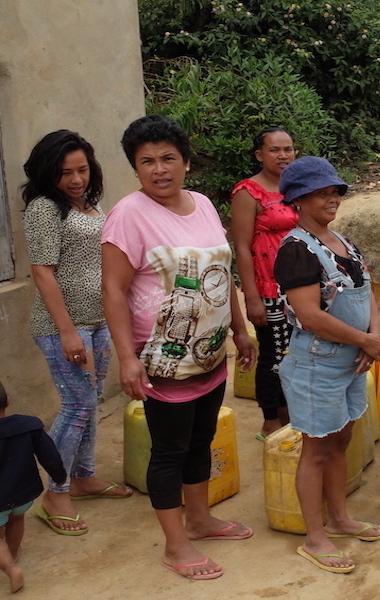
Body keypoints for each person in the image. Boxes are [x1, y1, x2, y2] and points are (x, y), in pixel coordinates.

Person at [102, 115, 257, 581]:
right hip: (162, 360)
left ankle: (201, 518)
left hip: (209, 354)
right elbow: (113, 291)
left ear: (186, 162)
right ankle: (175, 545)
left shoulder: (206, 205)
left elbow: (223, 271)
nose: (159, 169)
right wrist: (127, 358)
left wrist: (240, 328)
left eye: (168, 158)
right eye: (146, 161)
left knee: (201, 440)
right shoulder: (128, 215)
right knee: (169, 450)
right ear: (135, 169)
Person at [274, 157, 380, 575]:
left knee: (341, 440)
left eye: (335, 191)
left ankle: (340, 519)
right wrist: (365, 340)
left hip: (353, 361)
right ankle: (315, 536)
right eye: (322, 192)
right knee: (317, 449)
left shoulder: (342, 242)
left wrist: (374, 339)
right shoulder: (296, 250)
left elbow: (366, 292)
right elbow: (310, 316)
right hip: (317, 363)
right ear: (298, 199)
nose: (332, 198)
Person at [21, 130, 132, 537]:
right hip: (62, 327)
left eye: (82, 169)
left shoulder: (87, 203)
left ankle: (84, 476)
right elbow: (42, 272)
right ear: (48, 173)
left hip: (98, 321)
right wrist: (67, 331)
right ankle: (56, 492)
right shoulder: (44, 210)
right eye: (65, 172)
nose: (75, 179)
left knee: (91, 401)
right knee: (77, 405)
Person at [231, 127, 299, 441]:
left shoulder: (297, 186)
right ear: (260, 154)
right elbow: (242, 247)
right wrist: (252, 297)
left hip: (300, 288)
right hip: (268, 290)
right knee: (274, 354)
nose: (283, 155)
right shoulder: (248, 191)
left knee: (297, 352)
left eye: (288, 149)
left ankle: (290, 413)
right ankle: (270, 420)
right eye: (275, 150)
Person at [0, 381, 67, 593]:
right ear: (8, 400)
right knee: (17, 519)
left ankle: (10, 568)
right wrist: (59, 476)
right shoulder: (28, 425)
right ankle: (13, 552)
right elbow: (49, 454)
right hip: (24, 493)